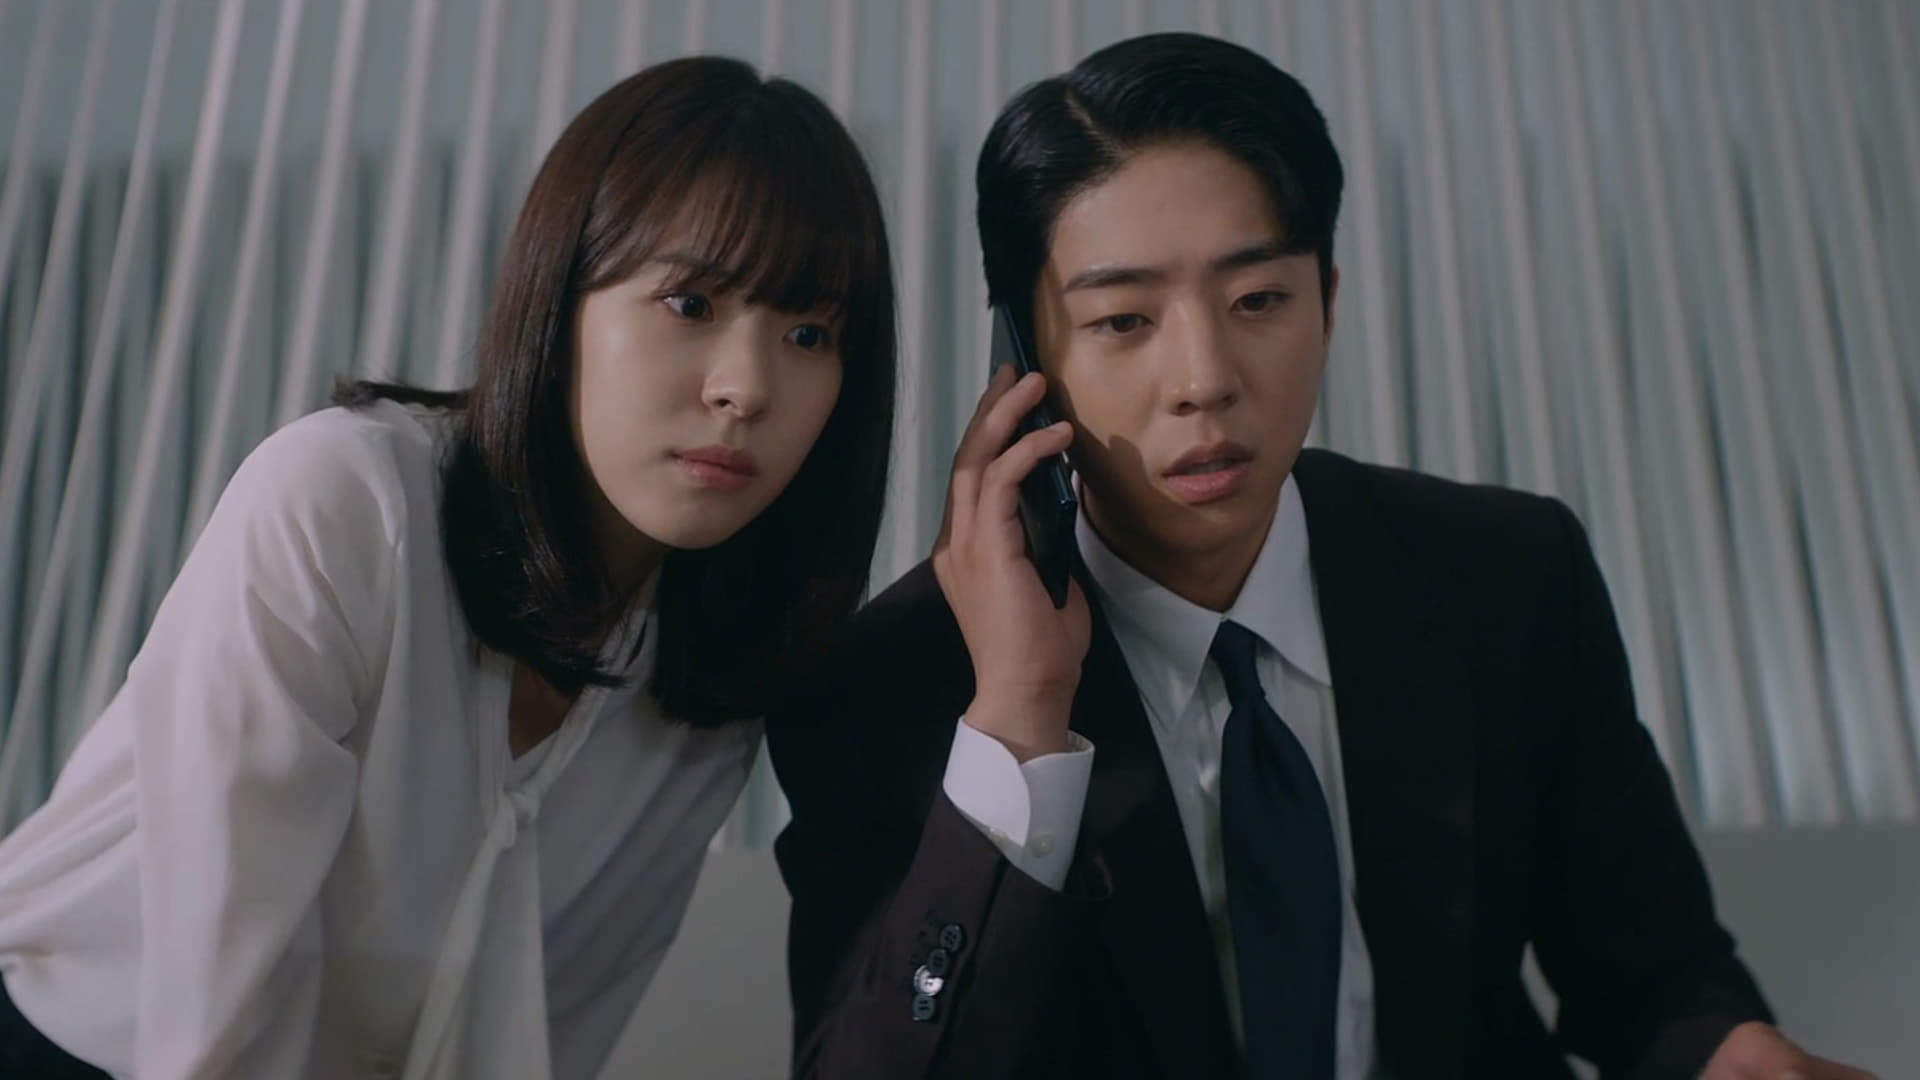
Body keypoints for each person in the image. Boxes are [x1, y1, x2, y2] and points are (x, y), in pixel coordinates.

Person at [766, 32, 1872, 1080]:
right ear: (1024, 355)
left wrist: (1726, 1049)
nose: (1204, 379)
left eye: (1258, 300)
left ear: (1328, 303)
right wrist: (1016, 721)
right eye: (1123, 321)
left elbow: (1655, 978)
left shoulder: (1507, 577)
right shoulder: (886, 685)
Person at [0, 55, 896, 1080]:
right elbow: (218, 1016)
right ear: (560, 301)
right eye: (690, 304)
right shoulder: (347, 502)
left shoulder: (720, 670)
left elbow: (553, 1033)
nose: (746, 388)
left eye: (809, 332)